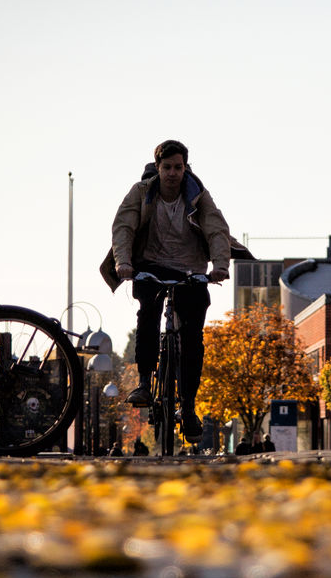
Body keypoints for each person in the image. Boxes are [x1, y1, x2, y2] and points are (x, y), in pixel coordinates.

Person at [100, 139, 237, 441]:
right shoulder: (142, 193)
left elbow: (216, 229)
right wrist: (123, 262)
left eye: (178, 167)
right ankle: (146, 383)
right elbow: (123, 227)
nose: (173, 173)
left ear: (185, 168)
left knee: (192, 338)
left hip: (191, 269)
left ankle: (187, 407)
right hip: (150, 264)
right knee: (147, 312)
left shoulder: (198, 196)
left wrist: (221, 265)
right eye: (167, 167)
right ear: (158, 168)